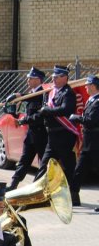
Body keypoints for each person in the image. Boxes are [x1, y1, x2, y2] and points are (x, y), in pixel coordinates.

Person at [35, 65, 80, 204]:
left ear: (65, 78)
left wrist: (47, 111)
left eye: (57, 77)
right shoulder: (51, 92)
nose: (53, 79)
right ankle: (34, 195)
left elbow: (65, 109)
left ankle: (74, 196)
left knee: (68, 167)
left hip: (64, 135)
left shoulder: (68, 93)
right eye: (53, 77)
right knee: (44, 166)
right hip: (52, 136)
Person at [8, 67, 48, 190]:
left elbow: (39, 116)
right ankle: (13, 185)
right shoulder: (31, 94)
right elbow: (24, 106)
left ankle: (40, 187)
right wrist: (12, 107)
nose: (28, 81)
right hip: (31, 134)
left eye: (31, 78)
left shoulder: (42, 94)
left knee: (44, 163)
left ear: (38, 80)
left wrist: (24, 120)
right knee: (24, 160)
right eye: (28, 78)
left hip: (41, 134)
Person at [70, 74, 99, 209]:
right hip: (88, 142)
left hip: (96, 142)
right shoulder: (91, 100)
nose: (86, 87)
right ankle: (73, 197)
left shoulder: (98, 102)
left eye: (88, 85)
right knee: (79, 170)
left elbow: (91, 121)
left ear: (93, 86)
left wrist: (77, 118)